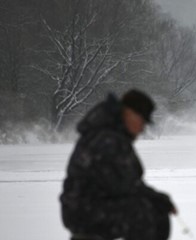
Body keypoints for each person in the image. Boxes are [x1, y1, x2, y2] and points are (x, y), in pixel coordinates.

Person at [60, 89, 177, 240]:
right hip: (84, 210)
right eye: (142, 121)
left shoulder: (110, 134)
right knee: (146, 213)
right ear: (130, 113)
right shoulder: (107, 140)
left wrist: (157, 198)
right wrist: (156, 199)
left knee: (151, 208)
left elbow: (128, 182)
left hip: (88, 206)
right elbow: (123, 185)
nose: (142, 129)